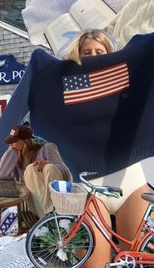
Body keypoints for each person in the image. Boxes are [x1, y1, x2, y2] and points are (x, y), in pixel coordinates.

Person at [61, 30, 153, 268]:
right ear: (78, 56)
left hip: (131, 185)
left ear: (109, 54)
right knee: (93, 264)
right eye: (87, 52)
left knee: (138, 262)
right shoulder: (70, 87)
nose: (93, 56)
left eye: (99, 51)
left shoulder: (124, 84)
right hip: (90, 188)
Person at [0, 124, 72, 218]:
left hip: (58, 199)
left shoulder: (47, 148)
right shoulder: (17, 157)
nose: (11, 144)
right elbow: (1, 175)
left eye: (14, 141)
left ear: (25, 141)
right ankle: (49, 215)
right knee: (31, 168)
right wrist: (11, 151)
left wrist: (47, 163)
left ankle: (49, 215)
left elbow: (66, 174)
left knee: (49, 168)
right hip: (36, 203)